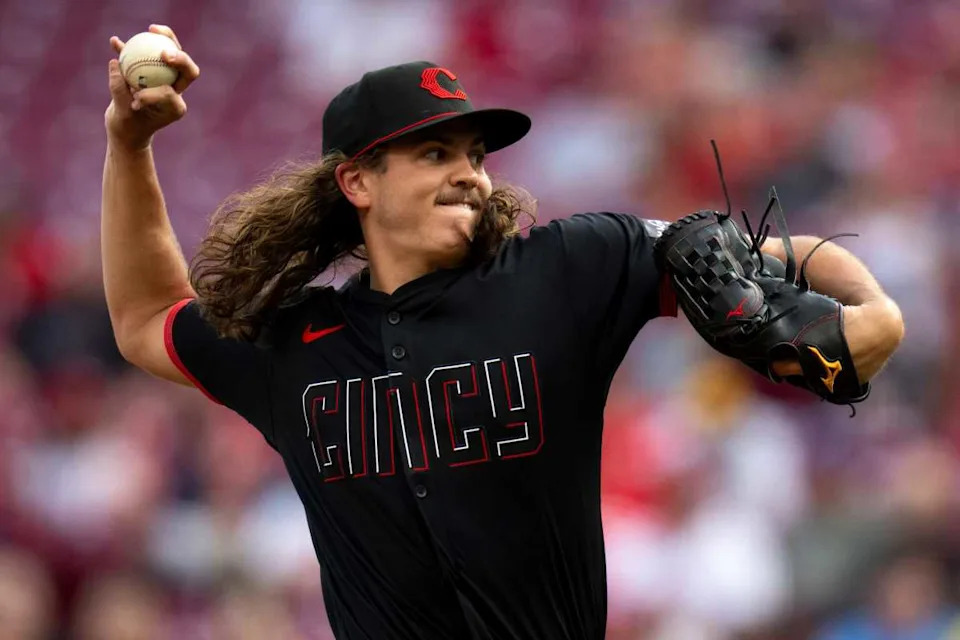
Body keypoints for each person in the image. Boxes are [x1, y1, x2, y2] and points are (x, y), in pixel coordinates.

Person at [101, 24, 904, 640]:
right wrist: (129, 144)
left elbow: (756, 258)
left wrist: (871, 302)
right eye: (434, 150)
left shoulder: (566, 270)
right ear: (356, 182)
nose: (470, 172)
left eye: (476, 153)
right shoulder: (295, 345)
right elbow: (146, 321)